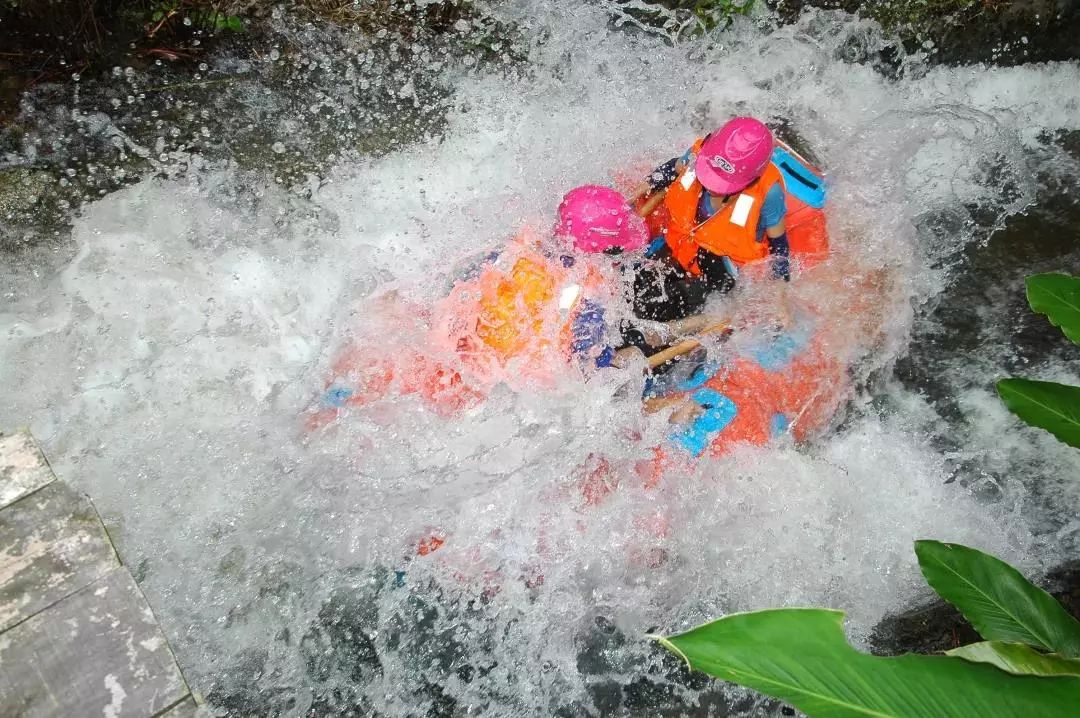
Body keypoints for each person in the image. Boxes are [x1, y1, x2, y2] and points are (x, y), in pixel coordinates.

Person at [627, 117, 792, 323]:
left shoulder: (768, 193)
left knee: (659, 309)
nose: (711, 187)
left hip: (720, 268)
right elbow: (673, 169)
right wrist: (638, 192)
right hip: (681, 245)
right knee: (632, 285)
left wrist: (780, 296)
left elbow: (780, 246)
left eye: (721, 185)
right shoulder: (700, 155)